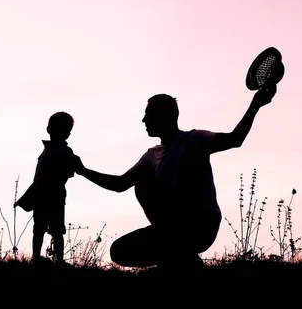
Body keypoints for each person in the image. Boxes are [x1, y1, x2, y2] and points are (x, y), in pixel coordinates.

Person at [73, 86, 277, 270]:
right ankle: (178, 261)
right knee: (118, 251)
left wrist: (255, 104)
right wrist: (83, 170)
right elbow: (120, 184)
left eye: (148, 115)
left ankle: (176, 261)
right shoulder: (150, 156)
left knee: (143, 185)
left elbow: (235, 139)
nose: (144, 120)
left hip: (201, 224)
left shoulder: (195, 139)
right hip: (172, 228)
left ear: (165, 116)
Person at [14, 111, 76, 265]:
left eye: (65, 130)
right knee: (39, 228)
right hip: (42, 195)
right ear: (49, 129)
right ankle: (37, 258)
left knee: (56, 230)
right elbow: (39, 177)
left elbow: (67, 173)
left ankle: (59, 260)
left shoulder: (65, 152)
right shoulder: (47, 150)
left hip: (55, 195)